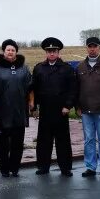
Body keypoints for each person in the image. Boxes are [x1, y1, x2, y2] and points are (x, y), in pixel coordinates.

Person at [31, 37, 76, 176]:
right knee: (44, 140)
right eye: (49, 51)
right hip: (45, 110)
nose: (51, 53)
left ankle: (65, 167)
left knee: (63, 141)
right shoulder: (39, 68)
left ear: (58, 52)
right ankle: (43, 167)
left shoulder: (66, 68)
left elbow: (72, 89)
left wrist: (68, 106)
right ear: (46, 52)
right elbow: (35, 89)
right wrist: (34, 108)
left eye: (54, 51)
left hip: (61, 110)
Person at [0, 38, 32, 177]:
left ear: (16, 52)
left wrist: (31, 102)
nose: (10, 52)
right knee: (3, 142)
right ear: (3, 51)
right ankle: (4, 168)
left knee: (18, 142)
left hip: (19, 110)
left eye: (13, 50)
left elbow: (30, 87)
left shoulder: (24, 68)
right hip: (2, 111)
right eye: (8, 50)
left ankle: (15, 168)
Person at [76, 36, 100, 179]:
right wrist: (77, 106)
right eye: (89, 46)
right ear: (86, 48)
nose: (92, 49)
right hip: (86, 110)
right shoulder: (80, 67)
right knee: (89, 140)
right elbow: (76, 89)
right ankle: (90, 167)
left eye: (95, 46)